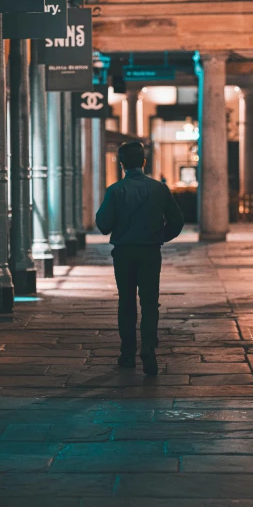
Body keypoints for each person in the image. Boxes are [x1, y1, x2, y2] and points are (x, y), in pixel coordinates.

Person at [96, 141, 184, 375]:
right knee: (149, 302)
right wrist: (160, 236)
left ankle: (127, 354)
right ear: (144, 162)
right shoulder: (159, 189)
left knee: (126, 302)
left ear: (121, 164)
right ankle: (148, 349)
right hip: (150, 252)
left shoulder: (115, 190)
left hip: (123, 252)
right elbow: (177, 221)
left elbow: (103, 225)